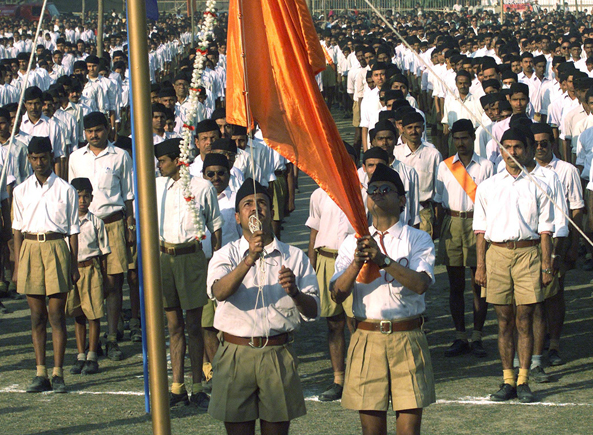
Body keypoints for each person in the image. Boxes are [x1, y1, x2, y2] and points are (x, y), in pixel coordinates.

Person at [207, 179, 319, 435]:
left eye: (262, 203)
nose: (255, 209)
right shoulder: (225, 255)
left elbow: (313, 311)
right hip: (236, 352)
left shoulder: (294, 256)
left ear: (271, 212)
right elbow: (219, 292)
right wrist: (249, 259)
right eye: (247, 204)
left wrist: (295, 293)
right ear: (237, 217)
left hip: (277, 353)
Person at [331, 163, 436, 435]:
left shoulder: (418, 239)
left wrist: (383, 260)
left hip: (407, 334)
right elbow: (337, 293)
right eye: (372, 190)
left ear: (401, 200)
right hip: (367, 336)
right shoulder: (351, 242)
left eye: (385, 190)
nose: (377, 194)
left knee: (409, 430)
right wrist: (356, 263)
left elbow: (421, 284)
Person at [474, 127, 555, 403]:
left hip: (528, 254)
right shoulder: (488, 186)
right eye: (507, 147)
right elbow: (480, 231)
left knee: (525, 319)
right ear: (500, 150)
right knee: (504, 320)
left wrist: (546, 265)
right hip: (496, 255)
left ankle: (523, 380)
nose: (512, 152)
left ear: (528, 149)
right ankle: (507, 379)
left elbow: (546, 230)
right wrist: (480, 266)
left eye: (518, 147)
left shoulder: (540, 184)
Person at [155, 139, 223, 409]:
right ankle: (177, 385)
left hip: (192, 257)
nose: (159, 166)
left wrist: (214, 260)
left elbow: (215, 225)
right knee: (173, 325)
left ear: (176, 161)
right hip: (164, 257)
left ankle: (197, 385)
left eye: (163, 161)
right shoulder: (158, 187)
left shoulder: (202, 187)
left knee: (194, 325)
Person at [13, 136, 80, 393]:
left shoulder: (66, 189)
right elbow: (17, 230)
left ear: (51, 157)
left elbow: (74, 230)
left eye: (43, 157)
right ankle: (40, 372)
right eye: (34, 158)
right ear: (29, 159)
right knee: (37, 316)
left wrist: (73, 264)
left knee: (56, 315)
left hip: (56, 247)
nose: (39, 163)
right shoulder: (21, 190)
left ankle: (58, 372)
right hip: (31, 248)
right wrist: (19, 265)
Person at [69, 112, 135, 361]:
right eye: (89, 131)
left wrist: (130, 225)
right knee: (86, 282)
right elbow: (71, 196)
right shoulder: (76, 157)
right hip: (84, 226)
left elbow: (129, 194)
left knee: (113, 282)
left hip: (112, 223)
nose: (94, 135)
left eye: (98, 130)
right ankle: (88, 342)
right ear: (84, 133)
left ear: (108, 129)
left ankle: (112, 337)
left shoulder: (121, 155)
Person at [434, 119, 494, 358]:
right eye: (456, 138)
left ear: (473, 138)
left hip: (479, 224)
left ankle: (477, 335)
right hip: (452, 223)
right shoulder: (445, 166)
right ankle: (460, 335)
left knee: (479, 282)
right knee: (455, 285)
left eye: (465, 138)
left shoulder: (487, 166)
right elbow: (438, 201)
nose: (460, 143)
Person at [306, 142, 358, 402]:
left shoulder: (361, 193)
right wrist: (312, 261)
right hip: (326, 260)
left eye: (347, 160)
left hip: (352, 262)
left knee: (355, 321)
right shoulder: (319, 193)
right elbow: (314, 230)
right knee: (333, 322)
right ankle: (338, 378)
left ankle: (361, 376)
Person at [66, 177, 110, 375]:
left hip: (91, 269)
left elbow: (103, 253)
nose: (82, 201)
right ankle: (80, 354)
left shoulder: (96, 222)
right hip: (72, 270)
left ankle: (93, 355)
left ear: (92, 198)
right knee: (78, 314)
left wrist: (106, 278)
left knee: (93, 313)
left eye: (86, 196)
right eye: (78, 196)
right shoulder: (66, 221)